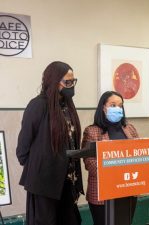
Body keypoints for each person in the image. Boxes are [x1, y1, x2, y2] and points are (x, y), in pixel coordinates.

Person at [16, 61, 83, 225]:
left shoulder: (67, 106)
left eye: (73, 81)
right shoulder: (38, 105)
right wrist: (37, 166)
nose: (71, 85)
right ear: (53, 81)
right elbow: (23, 146)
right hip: (44, 181)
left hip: (67, 180)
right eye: (67, 82)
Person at [81, 91, 139, 225]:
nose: (117, 109)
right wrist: (115, 173)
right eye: (113, 105)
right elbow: (89, 162)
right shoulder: (92, 131)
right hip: (103, 194)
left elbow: (138, 154)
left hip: (128, 190)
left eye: (120, 106)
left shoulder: (130, 129)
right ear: (103, 107)